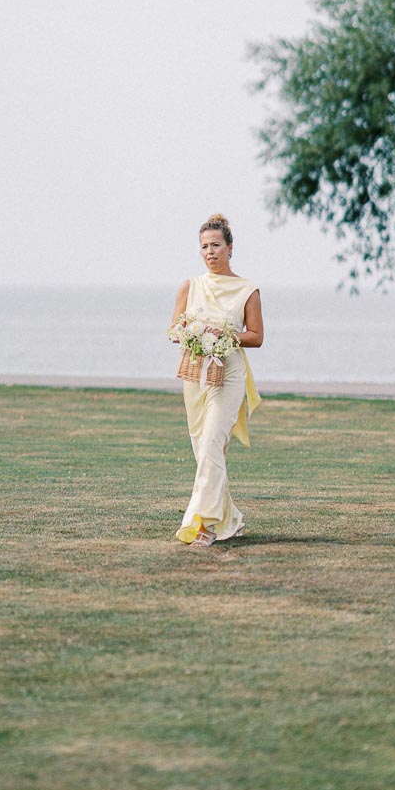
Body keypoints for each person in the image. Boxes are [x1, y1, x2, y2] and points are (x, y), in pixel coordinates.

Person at [170, 213, 263, 547]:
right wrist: (193, 333)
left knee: (212, 443)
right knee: (204, 450)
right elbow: (174, 329)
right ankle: (231, 519)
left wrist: (225, 334)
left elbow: (256, 337)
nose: (210, 252)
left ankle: (204, 525)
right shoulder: (189, 286)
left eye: (216, 246)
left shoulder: (247, 289)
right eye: (204, 247)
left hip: (230, 374)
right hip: (195, 375)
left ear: (230, 248)